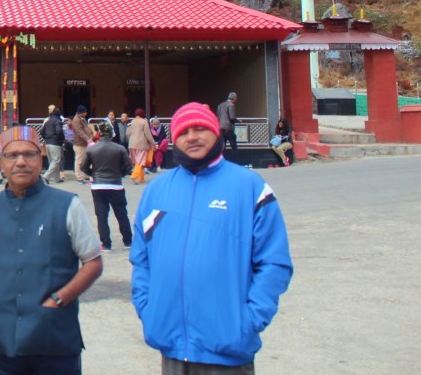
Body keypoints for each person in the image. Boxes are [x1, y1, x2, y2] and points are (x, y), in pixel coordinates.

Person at [131, 102, 293, 373]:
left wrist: (248, 321)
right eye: (183, 132)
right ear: (174, 140)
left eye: (200, 129)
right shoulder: (156, 191)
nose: (192, 137)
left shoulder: (250, 187)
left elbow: (274, 263)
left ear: (216, 132)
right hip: (171, 348)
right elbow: (141, 260)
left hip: (227, 350)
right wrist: (149, 312)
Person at [0, 125, 103, 374]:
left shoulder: (67, 205)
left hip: (55, 336)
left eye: (29, 154)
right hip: (5, 337)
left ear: (41, 158)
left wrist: (60, 298)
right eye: (12, 155)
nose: (21, 162)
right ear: (1, 162)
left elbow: (93, 262)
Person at [80, 120, 134, 252]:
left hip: (98, 186)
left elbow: (83, 167)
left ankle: (106, 244)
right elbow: (128, 167)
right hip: (115, 185)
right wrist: (119, 175)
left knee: (101, 216)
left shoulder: (91, 149)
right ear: (111, 134)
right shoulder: (120, 148)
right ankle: (128, 241)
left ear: (98, 134)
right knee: (122, 214)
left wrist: (93, 174)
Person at [127, 109, 155, 184]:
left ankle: (141, 178)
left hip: (132, 144)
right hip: (141, 144)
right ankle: (134, 175)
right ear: (143, 114)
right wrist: (153, 143)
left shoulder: (131, 122)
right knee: (140, 161)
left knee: (136, 162)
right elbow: (148, 134)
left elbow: (128, 133)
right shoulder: (144, 122)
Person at [40, 106, 65, 184]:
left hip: (47, 143)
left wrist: (46, 138)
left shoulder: (48, 121)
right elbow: (59, 131)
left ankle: (57, 178)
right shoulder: (57, 121)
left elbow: (41, 132)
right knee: (56, 161)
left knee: (52, 161)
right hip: (55, 143)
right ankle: (45, 176)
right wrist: (61, 139)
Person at [71, 106, 95, 185]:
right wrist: (87, 138)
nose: (86, 113)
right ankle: (79, 178)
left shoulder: (82, 118)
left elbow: (85, 128)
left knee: (84, 160)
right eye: (85, 112)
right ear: (81, 112)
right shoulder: (76, 120)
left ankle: (83, 176)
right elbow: (79, 131)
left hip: (84, 143)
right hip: (79, 143)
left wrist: (90, 135)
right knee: (79, 160)